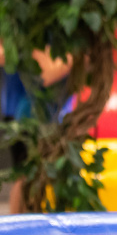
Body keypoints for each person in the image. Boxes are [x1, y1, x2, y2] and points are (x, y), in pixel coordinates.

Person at [0, 42, 71, 213]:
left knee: (36, 176)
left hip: (55, 112)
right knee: (26, 176)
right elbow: (48, 72)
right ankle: (19, 233)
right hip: (22, 112)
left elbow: (51, 70)